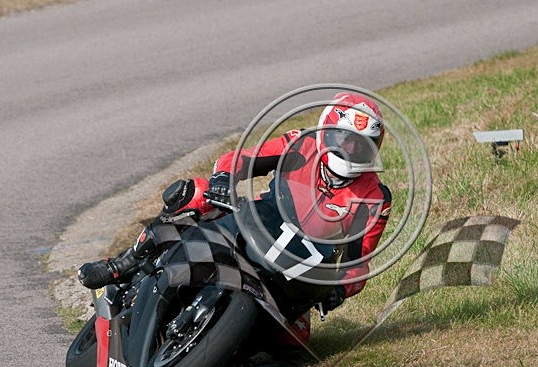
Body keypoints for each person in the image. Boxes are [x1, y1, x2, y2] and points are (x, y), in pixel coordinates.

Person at [78, 92, 392, 343]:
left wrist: (338, 289)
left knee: (294, 340)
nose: (350, 150)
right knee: (196, 194)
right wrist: (222, 180)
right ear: (327, 130)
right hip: (257, 225)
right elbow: (240, 158)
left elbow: (358, 263)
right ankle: (123, 264)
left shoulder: (375, 197)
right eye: (345, 138)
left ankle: (226, 349)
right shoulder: (302, 142)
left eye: (362, 145)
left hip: (294, 267)